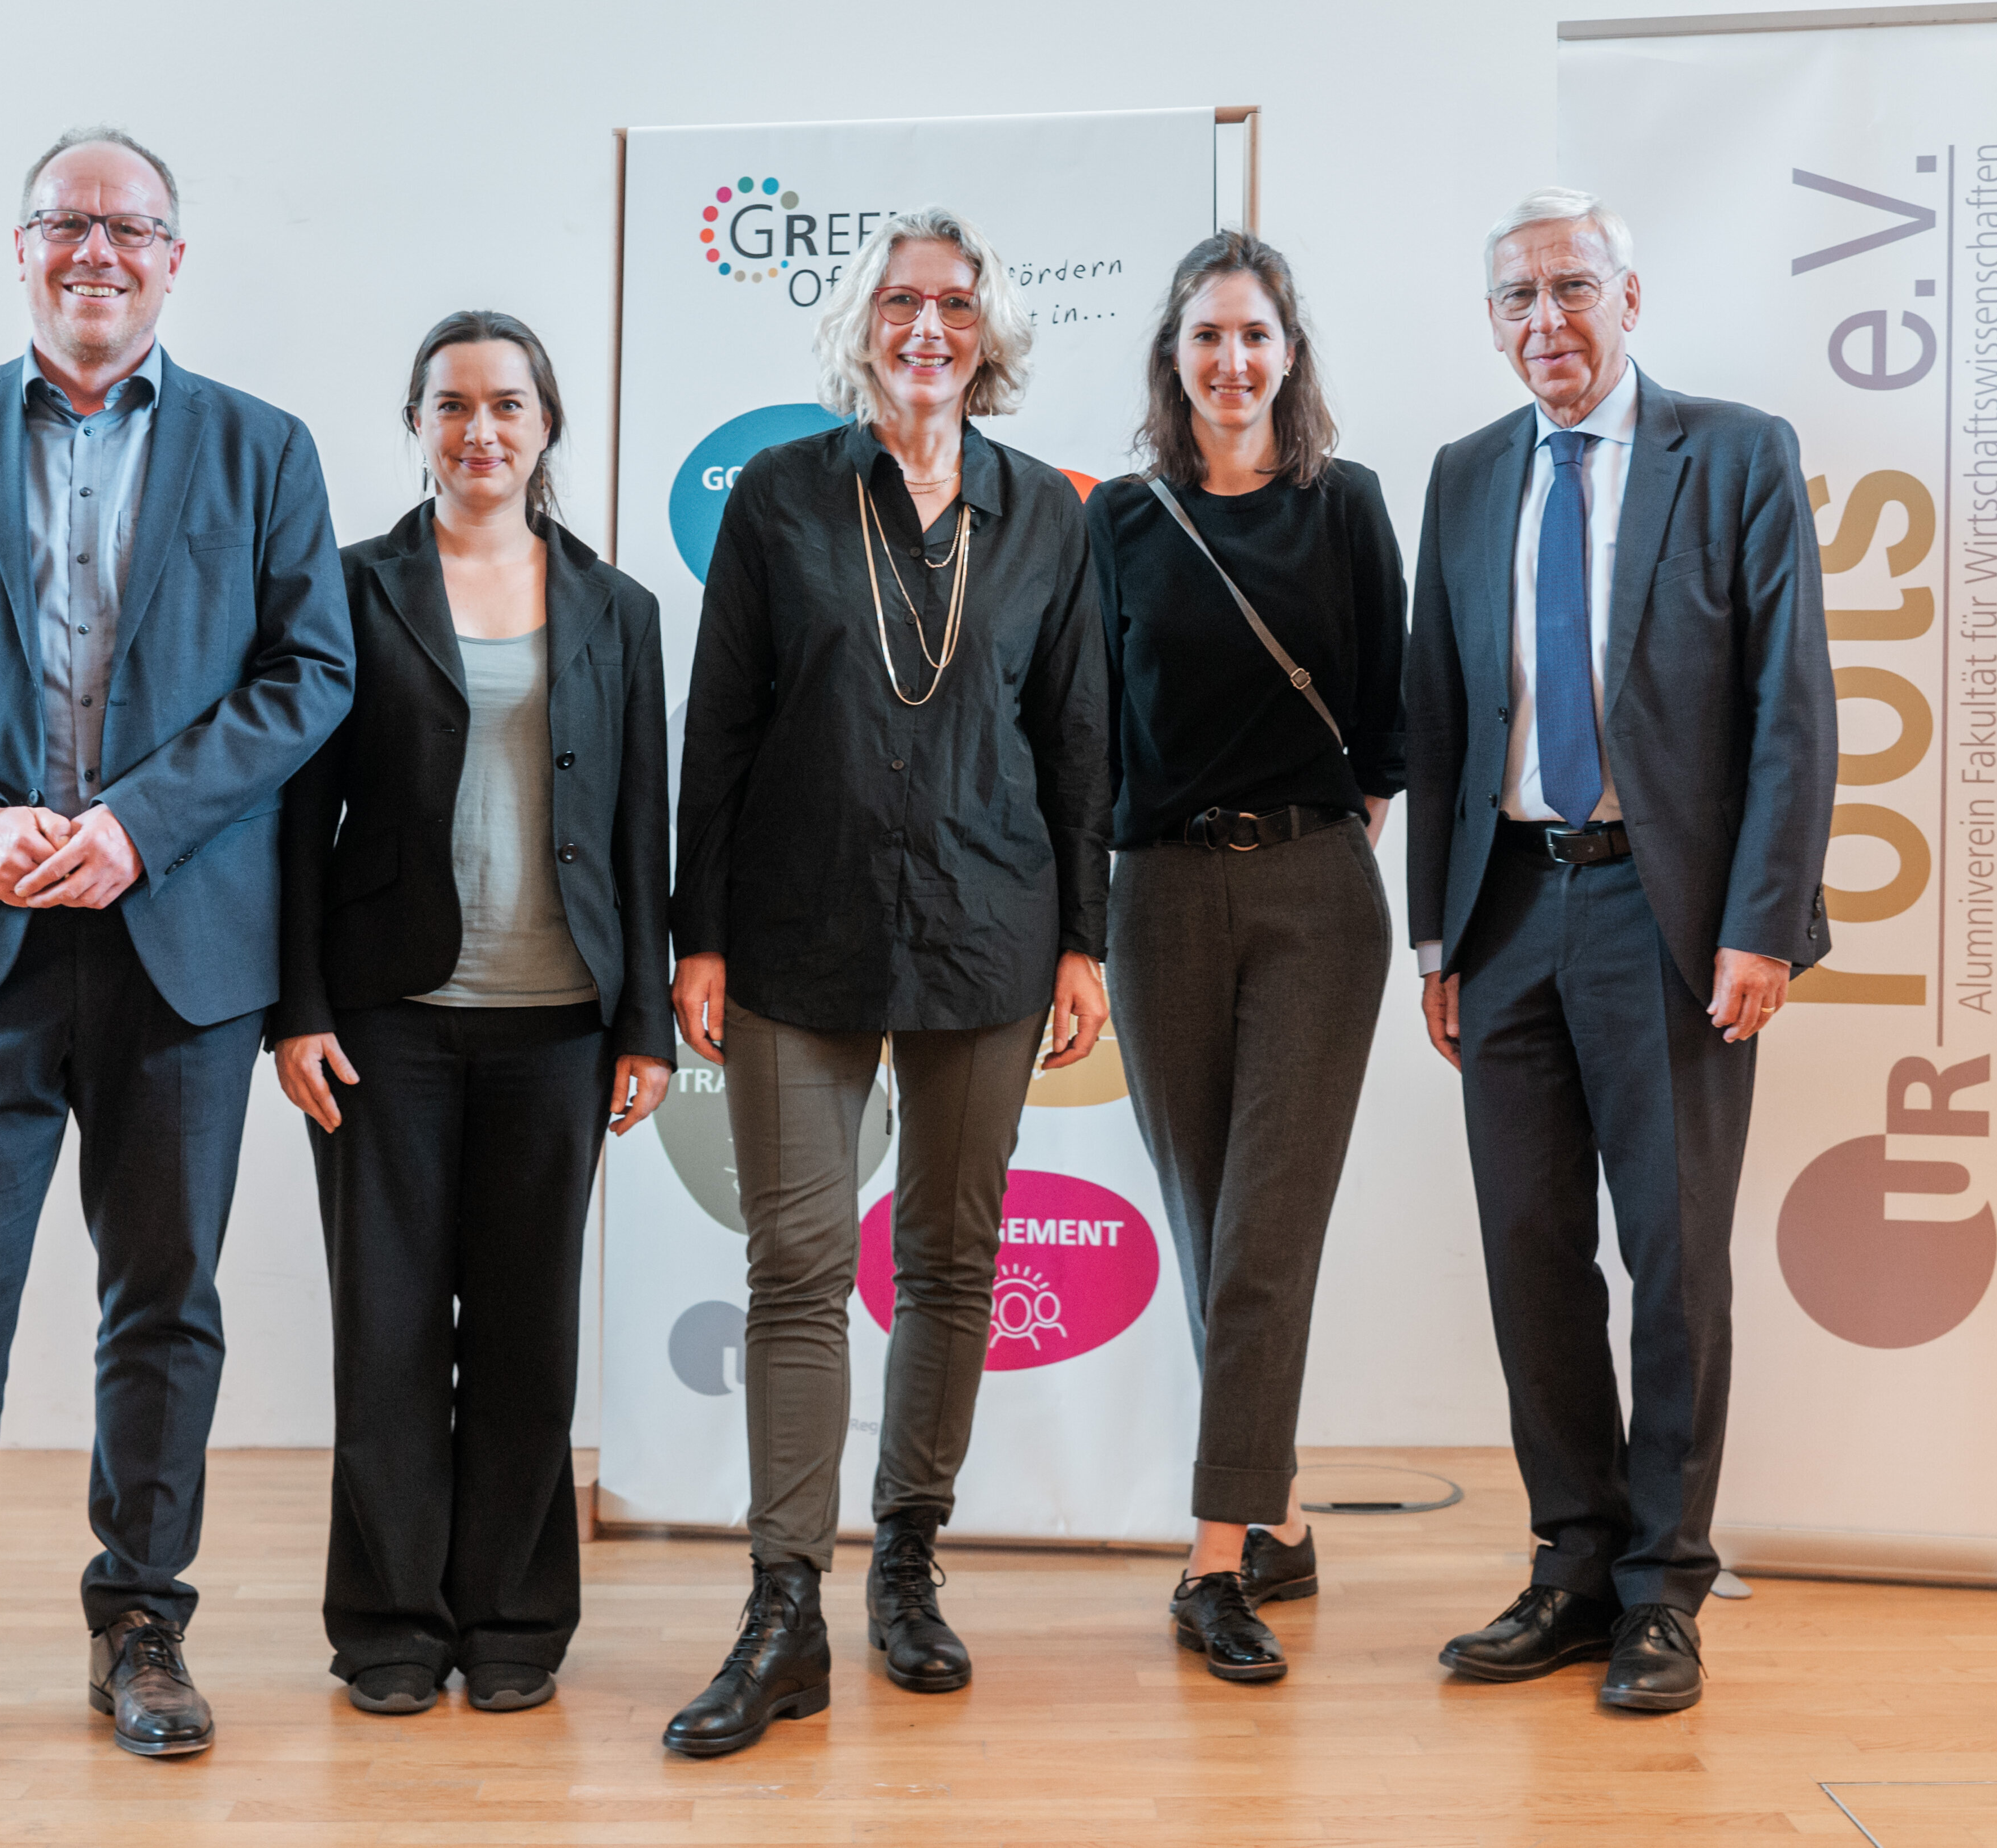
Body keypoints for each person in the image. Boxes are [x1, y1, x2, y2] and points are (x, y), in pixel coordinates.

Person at [0, 126, 353, 1775]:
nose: (96, 249)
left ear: (175, 260)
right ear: (22, 245)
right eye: (67, 222)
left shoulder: (264, 447)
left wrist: (137, 824)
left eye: (130, 227)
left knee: (163, 1298)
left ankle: (142, 1623)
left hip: (178, 947)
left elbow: (309, 674)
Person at [663, 205, 1111, 1756]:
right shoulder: (780, 497)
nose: (928, 328)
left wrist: (1086, 937)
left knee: (950, 1260)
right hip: (794, 929)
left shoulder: (1045, 515)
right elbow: (718, 724)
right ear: (862, 326)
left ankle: (906, 1563)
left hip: (991, 928)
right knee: (794, 1260)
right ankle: (782, 1603)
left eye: (955, 304)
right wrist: (698, 933)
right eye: (901, 302)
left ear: (988, 333)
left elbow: (1078, 739)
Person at [1405, 188, 1836, 1713]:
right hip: (1509, 911)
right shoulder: (1465, 476)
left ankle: (1663, 1587)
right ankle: (1572, 1565)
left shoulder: (1735, 454)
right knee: (1530, 1253)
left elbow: (1790, 709)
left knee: (1671, 1258)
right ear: (1491, 323)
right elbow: (1439, 715)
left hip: (1671, 922)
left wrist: (1760, 922)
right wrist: (1436, 934)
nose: (1547, 320)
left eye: (1572, 288)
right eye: (1517, 297)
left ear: (1629, 299)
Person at [270, 311, 673, 1719]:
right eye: (452, 405)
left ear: (547, 425)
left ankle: (513, 1619)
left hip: (558, 1026)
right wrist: (296, 1007)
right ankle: (389, 1621)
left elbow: (639, 823)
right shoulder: (345, 589)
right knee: (385, 1336)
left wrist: (644, 1023)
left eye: (507, 404)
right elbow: (294, 818)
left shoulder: (619, 609)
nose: (480, 430)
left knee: (525, 1339)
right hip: (383, 1022)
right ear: (418, 425)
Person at [1085, 231, 1403, 1683]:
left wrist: (1313, 846)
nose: (1232, 360)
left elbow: (1389, 726)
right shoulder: (1119, 523)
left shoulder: (1349, 507)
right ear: (1174, 356)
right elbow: (1091, 731)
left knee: (1267, 1234)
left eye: (1256, 334)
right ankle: (1278, 1520)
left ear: (1290, 353)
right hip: (1157, 894)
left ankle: (1213, 1568)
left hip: (1317, 897)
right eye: (1207, 335)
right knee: (1214, 1228)